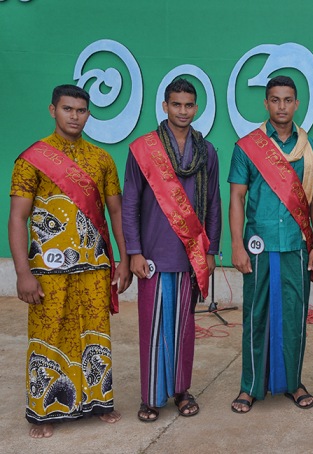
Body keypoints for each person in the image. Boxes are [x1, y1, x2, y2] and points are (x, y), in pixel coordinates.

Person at [8, 84, 132, 438]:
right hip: (48, 270)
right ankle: (44, 412)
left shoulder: (102, 159)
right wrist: (22, 273)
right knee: (49, 335)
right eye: (67, 109)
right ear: (53, 110)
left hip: (94, 266)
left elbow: (116, 211)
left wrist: (123, 260)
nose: (75, 116)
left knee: (95, 334)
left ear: (88, 114)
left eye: (81, 110)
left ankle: (99, 402)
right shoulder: (32, 159)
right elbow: (17, 217)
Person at [122, 78, 222, 422]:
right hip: (151, 254)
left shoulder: (206, 151)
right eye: (176, 104)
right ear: (165, 106)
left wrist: (211, 250)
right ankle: (150, 397)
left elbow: (214, 203)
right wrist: (134, 251)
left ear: (196, 108)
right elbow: (130, 202)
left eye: (189, 105)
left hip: (190, 255)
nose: (183, 111)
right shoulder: (143, 149)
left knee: (183, 330)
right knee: (152, 329)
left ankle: (181, 390)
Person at [228, 75, 313, 413]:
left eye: (287, 100)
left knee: (295, 317)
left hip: (296, 245)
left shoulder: (311, 149)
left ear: (296, 104)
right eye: (274, 99)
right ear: (266, 103)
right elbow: (237, 197)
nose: (281, 106)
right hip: (258, 245)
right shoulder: (247, 146)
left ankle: (293, 383)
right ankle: (250, 386)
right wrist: (237, 246)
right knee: (256, 316)